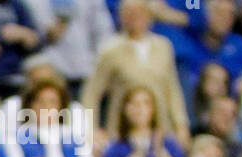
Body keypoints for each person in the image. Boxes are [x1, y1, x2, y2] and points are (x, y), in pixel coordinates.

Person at [79, 0, 189, 143]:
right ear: (121, 17)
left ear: (148, 15)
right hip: (122, 133)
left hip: (160, 131)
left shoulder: (163, 47)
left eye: (139, 12)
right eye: (129, 13)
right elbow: (92, 93)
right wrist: (91, 130)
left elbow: (173, 90)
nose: (134, 17)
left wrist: (181, 125)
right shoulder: (110, 50)